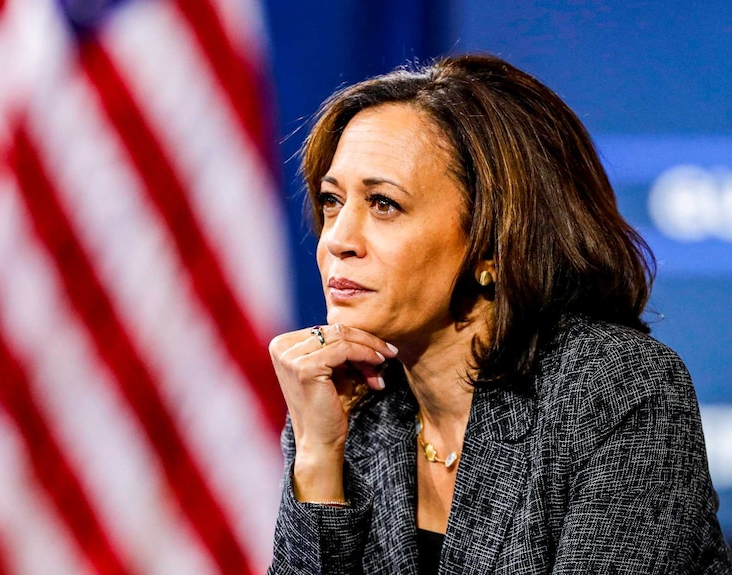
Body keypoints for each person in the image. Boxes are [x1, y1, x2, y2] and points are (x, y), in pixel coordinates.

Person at [267, 54, 732, 574]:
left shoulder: (613, 389)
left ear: (493, 242)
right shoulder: (352, 406)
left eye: (384, 205)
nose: (337, 240)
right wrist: (317, 456)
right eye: (332, 201)